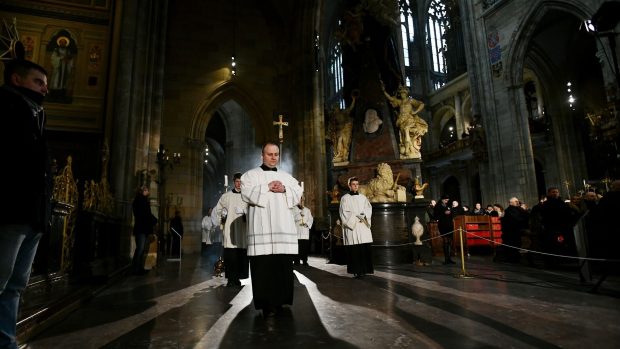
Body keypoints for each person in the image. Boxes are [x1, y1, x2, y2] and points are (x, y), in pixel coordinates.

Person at [0, 59, 51, 349]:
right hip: (11, 210)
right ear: (17, 80)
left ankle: (6, 342)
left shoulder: (37, 113)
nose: (45, 88)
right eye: (38, 81)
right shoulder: (5, 106)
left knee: (16, 285)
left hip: (32, 214)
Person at [241, 142, 303, 317]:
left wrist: (284, 189)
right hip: (262, 233)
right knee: (263, 269)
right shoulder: (250, 176)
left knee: (282, 268)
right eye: (270, 154)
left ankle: (281, 301)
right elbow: (246, 193)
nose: (273, 157)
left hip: (283, 230)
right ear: (262, 155)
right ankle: (266, 304)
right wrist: (266, 187)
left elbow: (298, 193)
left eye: (276, 154)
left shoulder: (287, 177)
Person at [214, 172, 249, 287]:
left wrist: (245, 213)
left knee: (239, 257)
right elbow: (218, 211)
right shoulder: (226, 196)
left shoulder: (246, 196)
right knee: (230, 257)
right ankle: (230, 279)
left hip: (242, 231)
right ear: (234, 182)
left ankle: (238, 279)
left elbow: (252, 212)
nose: (239, 184)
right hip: (229, 230)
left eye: (241, 182)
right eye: (237, 182)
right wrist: (223, 215)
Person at [381, 83, 428, 159]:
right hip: (401, 120)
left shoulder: (410, 100)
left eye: (403, 93)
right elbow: (391, 99)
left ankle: (408, 150)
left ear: (406, 94)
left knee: (407, 131)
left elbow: (421, 104)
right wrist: (383, 91)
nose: (402, 95)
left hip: (409, 119)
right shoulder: (400, 102)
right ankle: (409, 150)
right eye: (401, 93)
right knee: (403, 136)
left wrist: (415, 112)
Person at [339, 177, 374, 278]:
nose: (355, 186)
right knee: (355, 250)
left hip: (363, 226)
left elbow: (368, 209)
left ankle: (365, 270)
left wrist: (363, 216)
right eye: (353, 184)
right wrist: (355, 217)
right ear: (349, 186)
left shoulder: (363, 197)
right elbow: (343, 213)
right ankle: (356, 271)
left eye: (357, 184)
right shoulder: (344, 198)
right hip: (353, 227)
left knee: (363, 248)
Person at [132, 185, 157, 274]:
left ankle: (139, 267)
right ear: (142, 191)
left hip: (143, 228)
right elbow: (145, 214)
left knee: (141, 249)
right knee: (140, 249)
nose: (148, 192)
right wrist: (154, 220)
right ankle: (136, 269)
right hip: (141, 228)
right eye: (146, 190)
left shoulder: (143, 201)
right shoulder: (140, 201)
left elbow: (147, 214)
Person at [498, 197, 529, 263]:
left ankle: (515, 258)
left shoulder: (517, 209)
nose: (518, 202)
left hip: (515, 231)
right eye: (516, 201)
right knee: (511, 246)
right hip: (510, 232)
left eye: (517, 201)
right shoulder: (509, 210)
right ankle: (512, 259)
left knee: (516, 245)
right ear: (511, 203)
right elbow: (516, 219)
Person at [434, 195, 455, 264]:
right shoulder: (438, 206)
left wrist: (450, 212)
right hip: (443, 225)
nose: (447, 201)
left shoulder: (448, 206)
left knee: (450, 241)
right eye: (446, 200)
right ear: (442, 199)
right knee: (445, 241)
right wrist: (444, 213)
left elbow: (452, 214)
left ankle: (449, 258)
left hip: (449, 225)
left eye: (447, 200)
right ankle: (446, 259)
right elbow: (435, 216)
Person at [293, 196, 314, 266]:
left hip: (305, 231)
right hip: (297, 231)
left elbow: (311, 219)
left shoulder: (307, 210)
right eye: (300, 200)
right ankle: (296, 261)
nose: (301, 202)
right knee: (297, 247)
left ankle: (305, 260)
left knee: (304, 247)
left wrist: (307, 224)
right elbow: (292, 218)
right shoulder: (293, 209)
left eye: (302, 201)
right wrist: (299, 215)